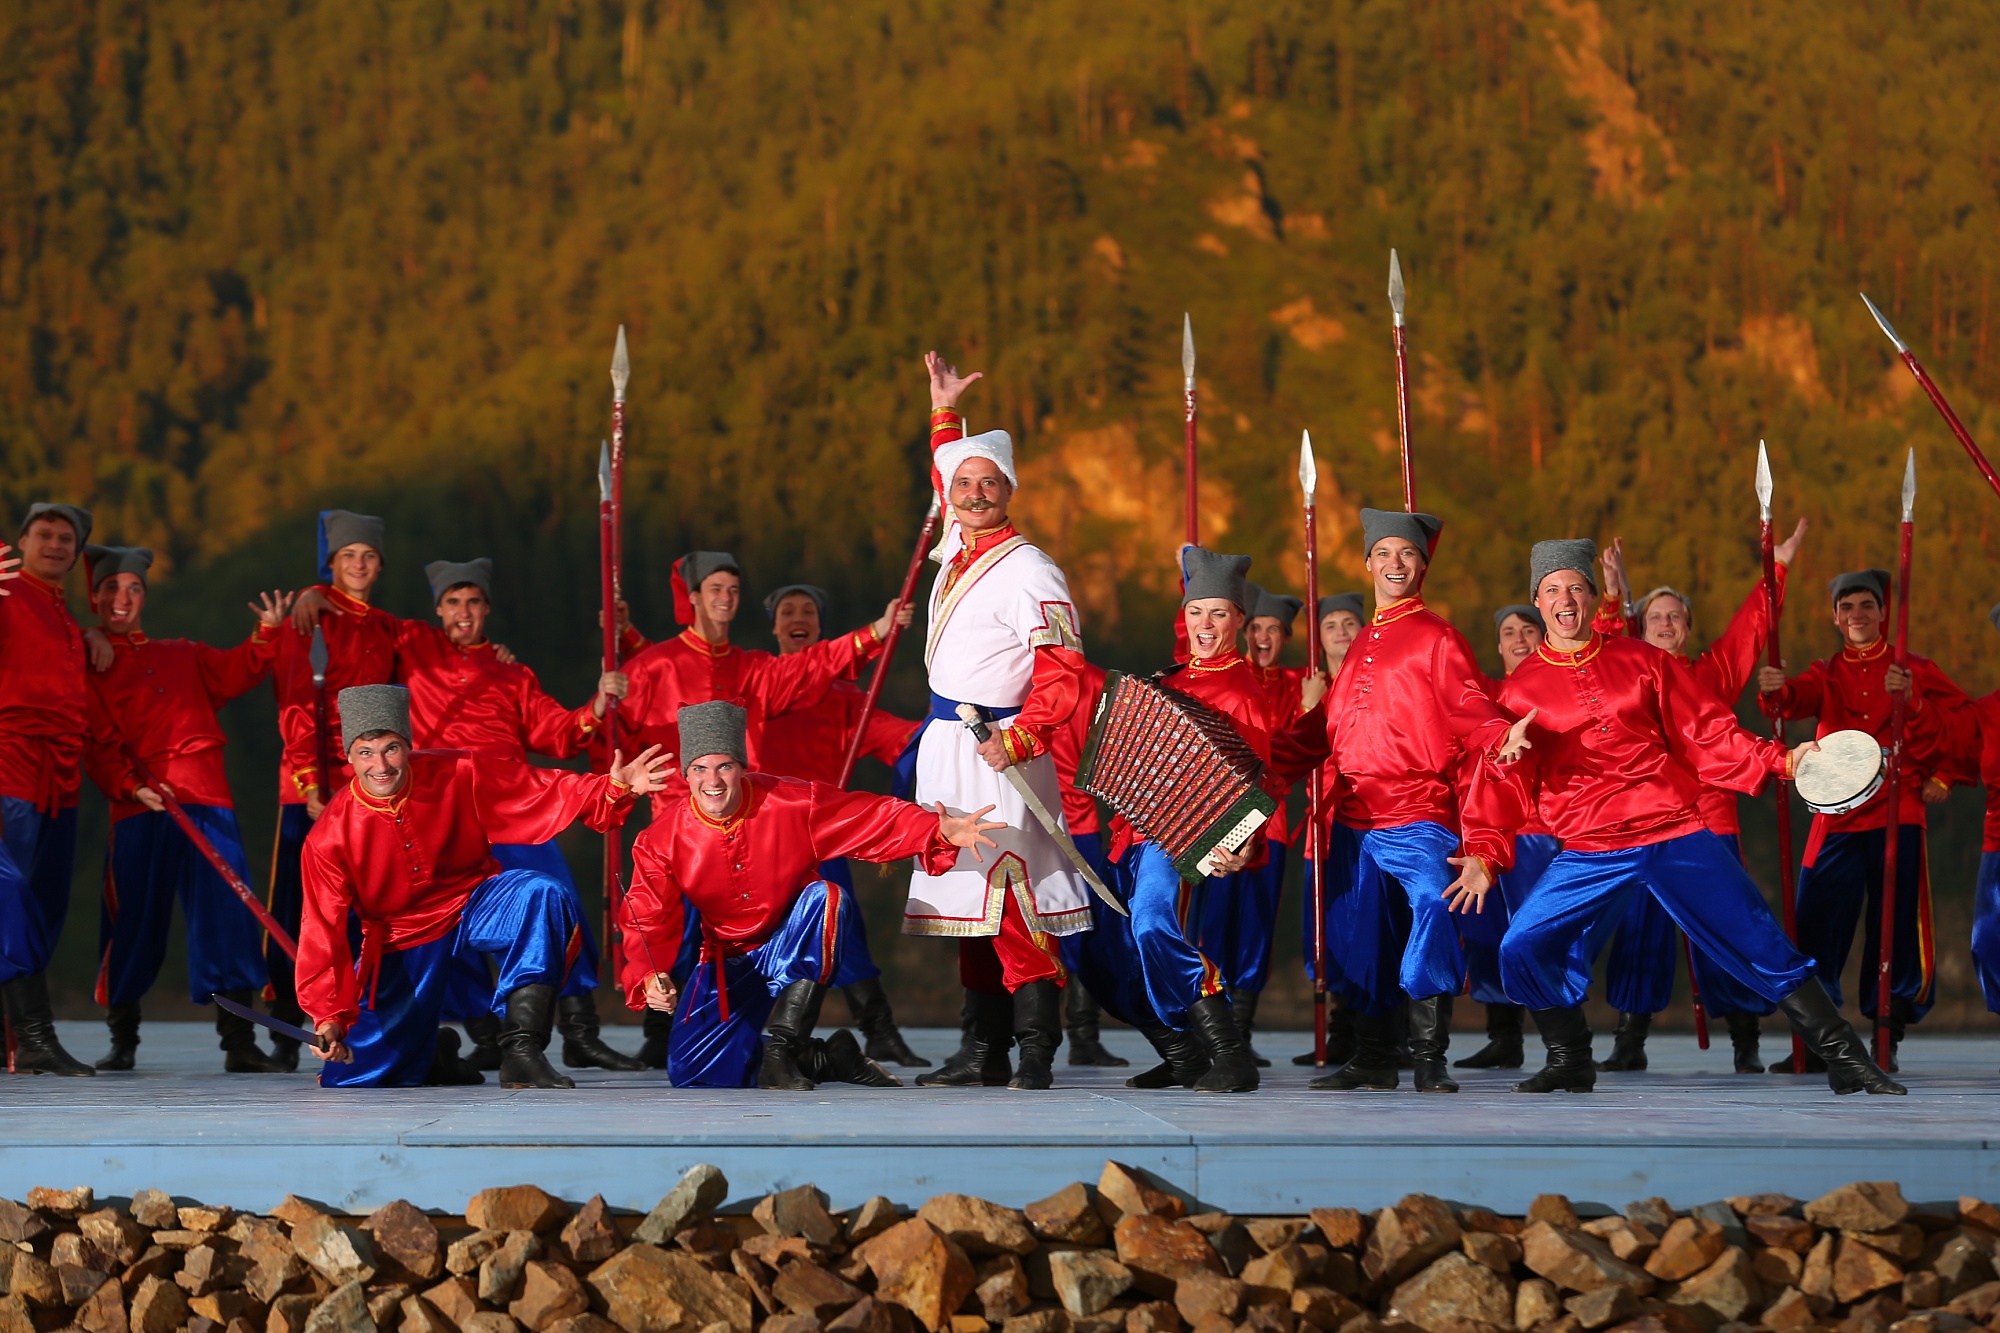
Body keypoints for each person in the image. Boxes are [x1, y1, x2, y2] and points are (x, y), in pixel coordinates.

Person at [1493, 539, 1902, 1096]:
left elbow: (1704, 731)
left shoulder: (1643, 661)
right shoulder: (1518, 691)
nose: (1565, 600)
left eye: (1575, 588)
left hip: (1672, 830)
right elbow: (1499, 780)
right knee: (1520, 944)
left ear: (1591, 597)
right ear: (1538, 602)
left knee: (1756, 937)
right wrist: (1483, 849)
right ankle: (1569, 1057)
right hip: (1591, 845)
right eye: (1552, 591)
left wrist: (1780, 760)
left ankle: (1846, 1058)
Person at [298, 685, 671, 1088]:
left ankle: (522, 1052)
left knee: (541, 893)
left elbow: (538, 787)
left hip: (474, 901)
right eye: (366, 753)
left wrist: (612, 788)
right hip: (400, 937)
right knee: (355, 1073)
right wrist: (328, 1016)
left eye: (391, 749)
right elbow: (321, 929)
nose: (381, 765)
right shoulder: (328, 837)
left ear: (407, 746)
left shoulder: (457, 769)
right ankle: (432, 1053)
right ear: (349, 757)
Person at [619, 702, 1004, 1089]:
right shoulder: (660, 838)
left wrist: (936, 829)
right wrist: (650, 974)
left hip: (791, 936)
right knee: (691, 1070)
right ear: (686, 775)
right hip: (728, 957)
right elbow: (647, 914)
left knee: (826, 897)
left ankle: (783, 1051)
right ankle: (827, 1058)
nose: (713, 780)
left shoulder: (791, 801)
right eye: (700, 769)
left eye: (724, 766)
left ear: (742, 767)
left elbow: (870, 816)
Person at [1274, 511, 1529, 1094]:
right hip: (1354, 816)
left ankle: (1429, 1057)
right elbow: (1325, 728)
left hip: (1418, 812)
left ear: (1422, 565)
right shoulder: (1362, 642)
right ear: (1368, 562)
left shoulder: (1438, 637)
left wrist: (1499, 735)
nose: (1395, 563)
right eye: (1384, 553)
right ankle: (1373, 1057)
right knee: (1364, 936)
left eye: (1407, 553)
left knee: (1431, 910)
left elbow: (1469, 705)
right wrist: (1261, 757)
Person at [907, 352, 1091, 1092]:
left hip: (1001, 747)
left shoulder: (1030, 569)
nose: (975, 493)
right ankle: (981, 1049)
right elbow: (942, 473)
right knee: (967, 895)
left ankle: (1036, 1048)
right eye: (965, 483)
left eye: (990, 482)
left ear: (1010, 489)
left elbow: (1064, 668)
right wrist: (944, 412)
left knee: (1013, 892)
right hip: (947, 747)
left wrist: (1022, 736)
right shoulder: (956, 544)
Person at [391, 558, 643, 1074]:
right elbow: (357, 629)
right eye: (453, 602)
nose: (464, 612)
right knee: (444, 917)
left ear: (487, 609)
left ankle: (579, 1032)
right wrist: (319, 596)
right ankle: (488, 1033)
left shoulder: (512, 673)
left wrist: (597, 706)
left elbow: (557, 732)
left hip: (514, 807)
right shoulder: (411, 649)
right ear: (437, 609)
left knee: (558, 901)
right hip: (444, 815)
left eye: (474, 602)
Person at [1585, 525, 1806, 1074]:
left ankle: (1745, 1038)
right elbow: (1596, 655)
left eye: (1675, 617)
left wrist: (1775, 570)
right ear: (1642, 627)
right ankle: (1630, 1037)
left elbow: (1749, 631)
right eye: (1655, 617)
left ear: (1688, 628)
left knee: (1726, 926)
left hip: (1709, 822)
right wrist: (1610, 596)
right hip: (1642, 822)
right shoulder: (1625, 675)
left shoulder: (1710, 675)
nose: (1665, 624)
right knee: (1640, 927)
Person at [79, 545, 291, 1071]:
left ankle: (239, 1043)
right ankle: (123, 1039)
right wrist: (129, 787)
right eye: (111, 588)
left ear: (145, 597)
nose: (122, 597)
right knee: (132, 919)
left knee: (227, 918)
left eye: (133, 588)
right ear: (94, 596)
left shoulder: (184, 653)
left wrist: (266, 633)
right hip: (140, 802)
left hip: (206, 796)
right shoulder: (88, 663)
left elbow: (237, 671)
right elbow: (93, 742)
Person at [1757, 567, 1966, 1071]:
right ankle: (1818, 1040)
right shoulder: (1825, 672)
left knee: (1895, 925)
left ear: (1882, 613)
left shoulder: (1914, 668)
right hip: (1837, 815)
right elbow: (1792, 702)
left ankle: (1886, 1035)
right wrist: (1774, 688)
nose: (1857, 615)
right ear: (1834, 617)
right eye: (1847, 607)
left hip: (1898, 808)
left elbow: (1962, 725)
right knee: (1815, 922)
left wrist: (1937, 757)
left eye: (1866, 606)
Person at [1100, 550, 1281, 1093]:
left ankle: (1231, 1052)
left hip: (1182, 839)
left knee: (1153, 924)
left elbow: (1260, 783)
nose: (1206, 624)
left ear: (1239, 620)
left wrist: (1243, 844)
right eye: (1196, 612)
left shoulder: (1245, 692)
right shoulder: (1170, 679)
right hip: (1136, 831)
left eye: (1219, 613)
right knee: (1124, 944)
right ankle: (1187, 1056)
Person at [758, 581, 929, 1068]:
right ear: (773, 626)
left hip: (819, 831)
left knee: (842, 927)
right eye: (787, 610)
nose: (798, 617)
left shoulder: (846, 699)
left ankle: (880, 1031)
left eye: (808, 611)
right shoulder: (758, 681)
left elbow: (896, 738)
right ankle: (703, 1028)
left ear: (820, 626)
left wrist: (944, 727)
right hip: (761, 831)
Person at [268, 510, 402, 1069]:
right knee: (300, 910)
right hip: (313, 786)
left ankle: (357, 1018)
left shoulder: (388, 627)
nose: (359, 565)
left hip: (367, 785)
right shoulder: (311, 619)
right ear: (332, 563)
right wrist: (308, 783)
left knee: (365, 907)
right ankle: (285, 1027)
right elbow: (296, 706)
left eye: (368, 556)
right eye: (348, 556)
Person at [0, 504, 95, 1075]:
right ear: (22, 541)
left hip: (60, 776)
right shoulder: (6, 595)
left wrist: (92, 638)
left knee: (42, 904)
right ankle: (35, 1036)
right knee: (10, 896)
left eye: (66, 538)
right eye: (44, 534)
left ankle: (12, 1038)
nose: (55, 544)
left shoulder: (64, 616)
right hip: (9, 763)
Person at [1450, 604, 1558, 1071]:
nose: (1518, 639)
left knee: (1538, 933)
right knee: (1486, 931)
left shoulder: (1557, 692)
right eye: (1508, 631)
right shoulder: (1485, 696)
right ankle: (1503, 1036)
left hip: (1540, 830)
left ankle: (1560, 1040)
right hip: (1485, 829)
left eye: (1527, 630)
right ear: (1498, 645)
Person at [1212, 583, 1304, 1066]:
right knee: (1213, 923)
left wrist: (1309, 703)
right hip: (1219, 816)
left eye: (1274, 629)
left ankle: (1240, 1030)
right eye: (1257, 627)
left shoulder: (1297, 683)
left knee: (1255, 927)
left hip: (1273, 822)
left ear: (1285, 637)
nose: (1264, 637)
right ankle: (1212, 1025)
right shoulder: (1230, 676)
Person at [1289, 591, 1365, 1069]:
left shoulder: (1376, 680)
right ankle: (1342, 1029)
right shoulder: (1308, 686)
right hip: (1323, 827)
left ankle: (1380, 1029)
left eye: (1349, 622)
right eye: (1330, 624)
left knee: (1368, 927)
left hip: (1369, 825)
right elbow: (1294, 753)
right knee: (1326, 934)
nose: (1340, 631)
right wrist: (1308, 707)